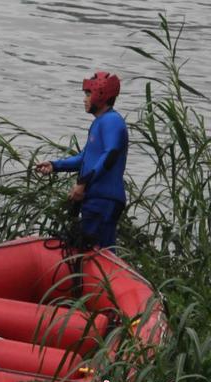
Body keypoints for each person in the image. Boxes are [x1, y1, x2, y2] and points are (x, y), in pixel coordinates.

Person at [36, 71, 128, 250]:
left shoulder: (111, 121)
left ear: (101, 95)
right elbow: (85, 158)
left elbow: (110, 155)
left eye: (88, 94)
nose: (84, 99)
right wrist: (55, 165)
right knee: (91, 250)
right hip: (96, 199)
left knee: (97, 253)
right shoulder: (101, 122)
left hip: (104, 199)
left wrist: (83, 183)